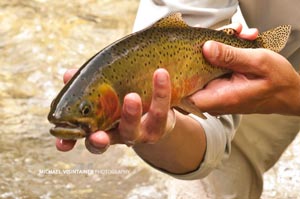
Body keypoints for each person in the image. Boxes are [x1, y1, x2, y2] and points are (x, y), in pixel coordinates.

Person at [56, 0, 300, 198]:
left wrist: (293, 96)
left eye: (86, 110)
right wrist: (163, 129)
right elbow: (208, 137)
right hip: (271, 67)